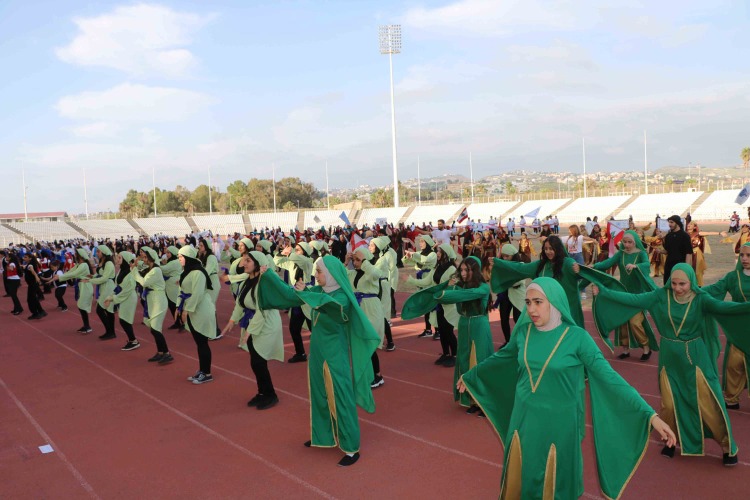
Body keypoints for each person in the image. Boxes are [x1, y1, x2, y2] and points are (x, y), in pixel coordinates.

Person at [458, 277, 676, 498]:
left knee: (556, 481)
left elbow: (610, 378)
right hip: (523, 419)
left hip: (560, 423)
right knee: (524, 475)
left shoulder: (578, 338)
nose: (531, 309)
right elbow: (501, 357)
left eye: (538, 302)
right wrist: (471, 376)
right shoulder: (523, 333)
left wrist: (650, 415)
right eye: (528, 302)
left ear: (554, 302)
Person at [591, 264, 750, 465]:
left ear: (691, 281)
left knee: (709, 403)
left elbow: (727, 309)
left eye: (683, 284)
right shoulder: (659, 296)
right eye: (674, 283)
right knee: (669, 403)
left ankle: (727, 447)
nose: (677, 288)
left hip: (695, 358)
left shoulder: (701, 299)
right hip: (669, 358)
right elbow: (632, 299)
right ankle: (670, 440)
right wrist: (603, 292)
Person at [258, 255, 380, 466]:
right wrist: (270, 275)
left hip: (335, 355)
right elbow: (290, 295)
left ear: (332, 274)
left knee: (341, 397)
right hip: (317, 353)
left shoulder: (342, 297)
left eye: (320, 271)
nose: (316, 274)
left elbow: (331, 306)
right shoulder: (318, 291)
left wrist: (306, 293)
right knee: (319, 394)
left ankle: (351, 447)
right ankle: (323, 436)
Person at [221, 251, 283, 410]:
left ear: (258, 263)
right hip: (253, 322)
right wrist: (232, 320)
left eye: (248, 260)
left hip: (267, 324)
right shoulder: (247, 281)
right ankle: (262, 393)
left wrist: (249, 331)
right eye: (244, 260)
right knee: (255, 360)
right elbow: (240, 303)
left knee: (259, 361)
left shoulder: (264, 283)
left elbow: (262, 310)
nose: (243, 263)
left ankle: (271, 395)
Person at [592, 230, 659, 361]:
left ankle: (646, 347)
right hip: (623, 293)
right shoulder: (620, 254)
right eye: (625, 242)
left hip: (638, 295)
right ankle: (625, 349)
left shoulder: (641, 253)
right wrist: (593, 266)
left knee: (635, 322)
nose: (627, 245)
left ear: (635, 242)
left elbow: (646, 265)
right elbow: (607, 264)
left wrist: (636, 266)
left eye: (630, 242)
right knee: (622, 322)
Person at [491, 235, 584, 328]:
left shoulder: (567, 263)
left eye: (551, 249)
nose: (548, 251)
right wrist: (498, 263)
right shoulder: (541, 265)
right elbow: (520, 268)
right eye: (546, 249)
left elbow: (583, 273)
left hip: (564, 312)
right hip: (547, 313)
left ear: (558, 249)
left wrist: (578, 270)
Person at [702, 242, 750, 410]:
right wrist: (692, 289)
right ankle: (731, 398)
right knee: (733, 364)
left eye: (748, 255)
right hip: (737, 328)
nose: (744, 259)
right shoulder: (732, 277)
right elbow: (715, 289)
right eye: (742, 255)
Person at [345, 246, 387, 388]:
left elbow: (376, 273)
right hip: (358, 309)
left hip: (372, 309)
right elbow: (339, 275)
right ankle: (367, 374)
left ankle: (378, 376)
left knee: (369, 344)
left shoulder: (371, 272)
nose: (355, 262)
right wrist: (345, 262)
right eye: (354, 259)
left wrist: (364, 261)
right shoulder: (352, 274)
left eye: (358, 260)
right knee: (360, 343)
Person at [177, 245, 217, 384]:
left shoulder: (198, 272)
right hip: (192, 308)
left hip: (201, 310)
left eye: (181, 257)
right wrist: (178, 306)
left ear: (187, 257)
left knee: (202, 342)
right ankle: (202, 370)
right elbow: (181, 290)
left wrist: (186, 310)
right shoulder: (186, 271)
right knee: (199, 343)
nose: (179, 259)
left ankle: (207, 373)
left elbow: (198, 294)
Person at [273, 239, 314, 362]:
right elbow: (277, 261)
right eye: (295, 250)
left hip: (308, 298)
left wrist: (290, 253)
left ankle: (322, 354)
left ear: (305, 251)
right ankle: (300, 353)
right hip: (297, 298)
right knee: (294, 328)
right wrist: (281, 253)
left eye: (298, 250)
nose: (295, 252)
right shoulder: (292, 263)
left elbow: (302, 260)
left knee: (314, 329)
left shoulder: (308, 262)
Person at [132, 247, 173, 364]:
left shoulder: (156, 270)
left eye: (146, 257)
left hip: (158, 300)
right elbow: (139, 270)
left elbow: (144, 282)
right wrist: (135, 266)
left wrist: (134, 270)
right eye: (143, 257)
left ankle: (167, 353)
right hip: (152, 300)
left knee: (155, 328)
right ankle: (160, 352)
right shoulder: (149, 268)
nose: (144, 259)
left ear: (151, 258)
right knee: (153, 328)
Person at [103, 251, 140, 351]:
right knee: (124, 319)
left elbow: (127, 291)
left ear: (126, 259)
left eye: (120, 257)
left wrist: (112, 298)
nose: (117, 259)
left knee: (124, 320)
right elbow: (117, 287)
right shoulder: (121, 270)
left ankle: (134, 341)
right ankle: (132, 340)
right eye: (117, 257)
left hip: (129, 297)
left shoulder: (130, 273)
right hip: (123, 297)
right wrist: (110, 297)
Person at [404, 235, 438, 338]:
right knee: (425, 305)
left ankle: (438, 330)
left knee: (433, 305)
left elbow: (425, 260)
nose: (420, 243)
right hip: (421, 281)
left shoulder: (432, 254)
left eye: (422, 241)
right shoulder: (419, 253)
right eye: (420, 241)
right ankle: (428, 329)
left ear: (428, 242)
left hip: (430, 280)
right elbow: (407, 261)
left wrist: (413, 255)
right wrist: (408, 256)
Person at [54, 248, 94, 333]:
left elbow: (74, 274)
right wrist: (61, 276)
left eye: (76, 254)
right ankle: (86, 326)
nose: (74, 255)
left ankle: (87, 326)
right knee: (81, 306)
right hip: (82, 286)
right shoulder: (79, 264)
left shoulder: (83, 265)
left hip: (85, 287)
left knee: (81, 306)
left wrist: (60, 277)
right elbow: (70, 272)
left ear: (80, 255)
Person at [494, 244, 526, 346]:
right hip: (504, 295)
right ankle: (508, 342)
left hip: (518, 294)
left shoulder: (520, 265)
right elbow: (497, 279)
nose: (505, 258)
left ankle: (522, 342)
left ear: (513, 255)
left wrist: (506, 281)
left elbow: (519, 281)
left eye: (507, 256)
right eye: (503, 256)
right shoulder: (501, 265)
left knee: (518, 319)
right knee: (504, 319)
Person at [88, 245, 117, 340]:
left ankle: (110, 331)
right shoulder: (102, 261)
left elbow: (104, 278)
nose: (97, 253)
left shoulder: (109, 263)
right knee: (108, 310)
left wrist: (90, 281)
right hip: (104, 287)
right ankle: (111, 332)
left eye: (98, 251)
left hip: (108, 287)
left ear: (104, 252)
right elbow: (99, 273)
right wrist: (92, 276)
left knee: (100, 310)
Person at [198, 239, 222, 339]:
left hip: (212, 282)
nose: (199, 247)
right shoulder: (202, 256)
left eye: (201, 245)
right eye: (199, 245)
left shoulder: (211, 257)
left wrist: (197, 278)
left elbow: (207, 271)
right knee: (208, 306)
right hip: (207, 282)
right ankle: (211, 330)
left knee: (210, 306)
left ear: (206, 246)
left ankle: (216, 331)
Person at [661, 215, 692, 284]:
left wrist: (687, 268)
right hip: (669, 265)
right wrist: (660, 251)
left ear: (677, 223)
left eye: (671, 222)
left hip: (680, 265)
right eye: (669, 222)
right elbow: (668, 251)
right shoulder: (668, 236)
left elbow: (688, 253)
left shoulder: (685, 236)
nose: (669, 224)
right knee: (668, 284)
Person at [22, 253, 46, 320]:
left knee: (30, 299)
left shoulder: (30, 265)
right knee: (34, 299)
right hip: (32, 284)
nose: (24, 258)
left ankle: (35, 313)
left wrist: (36, 277)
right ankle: (41, 311)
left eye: (26, 257)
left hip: (32, 284)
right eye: (24, 257)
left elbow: (32, 271)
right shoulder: (29, 264)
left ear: (30, 258)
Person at [688, 222, 710, 287]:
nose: (689, 225)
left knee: (697, 270)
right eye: (688, 224)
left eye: (691, 224)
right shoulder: (684, 234)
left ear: (695, 227)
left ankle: (698, 285)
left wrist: (719, 233)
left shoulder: (698, 233)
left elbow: (708, 233)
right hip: (688, 254)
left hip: (697, 253)